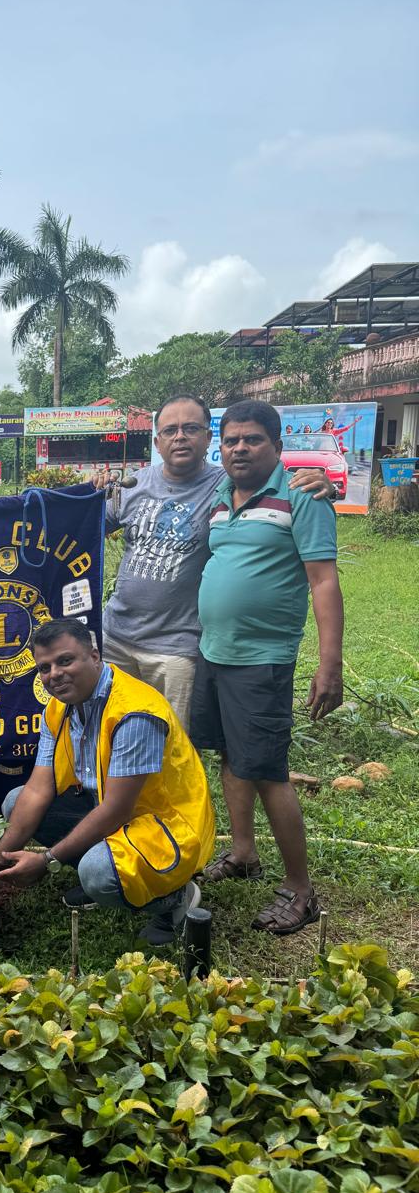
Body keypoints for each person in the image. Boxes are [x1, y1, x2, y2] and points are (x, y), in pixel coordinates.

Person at [192, 400, 343, 935]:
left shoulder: (303, 496)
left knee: (269, 771)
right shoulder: (219, 494)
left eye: (252, 439)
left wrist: (330, 666)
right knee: (231, 756)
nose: (239, 448)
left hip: (263, 661)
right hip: (215, 652)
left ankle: (301, 891)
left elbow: (323, 581)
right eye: (230, 440)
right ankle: (243, 853)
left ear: (276, 446)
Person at [98, 395, 334, 729]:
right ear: (157, 441)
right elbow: (83, 529)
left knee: (171, 746)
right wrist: (91, 490)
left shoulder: (225, 485)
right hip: (116, 637)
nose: (180, 437)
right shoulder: (133, 485)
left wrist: (324, 485)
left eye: (191, 428)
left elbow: (273, 481)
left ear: (208, 439)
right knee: (107, 732)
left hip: (177, 645)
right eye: (170, 430)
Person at [0, 619, 215, 945]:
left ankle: (174, 898)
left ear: (94, 656)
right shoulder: (57, 707)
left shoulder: (134, 712)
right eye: (44, 668)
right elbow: (38, 789)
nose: (54, 674)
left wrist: (47, 860)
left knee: (96, 873)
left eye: (65, 661)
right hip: (107, 806)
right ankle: (104, 864)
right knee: (16, 801)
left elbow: (116, 810)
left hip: (165, 825)